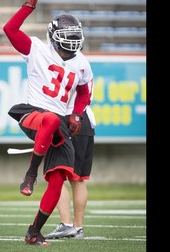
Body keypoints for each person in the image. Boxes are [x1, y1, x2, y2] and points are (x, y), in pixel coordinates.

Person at [3, 0, 94, 246]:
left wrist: (77, 114)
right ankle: (30, 173)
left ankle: (34, 232)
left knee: (58, 179)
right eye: (65, 43)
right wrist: (28, 7)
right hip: (36, 114)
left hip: (61, 127)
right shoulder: (36, 49)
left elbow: (85, 93)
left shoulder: (82, 63)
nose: (70, 48)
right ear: (53, 38)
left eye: (73, 43)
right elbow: (9, 29)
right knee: (52, 118)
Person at [44, 86, 96, 240]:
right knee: (78, 179)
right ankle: (78, 228)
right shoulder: (84, 65)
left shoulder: (68, 64)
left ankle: (66, 225)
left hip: (68, 120)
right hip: (85, 120)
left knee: (56, 174)